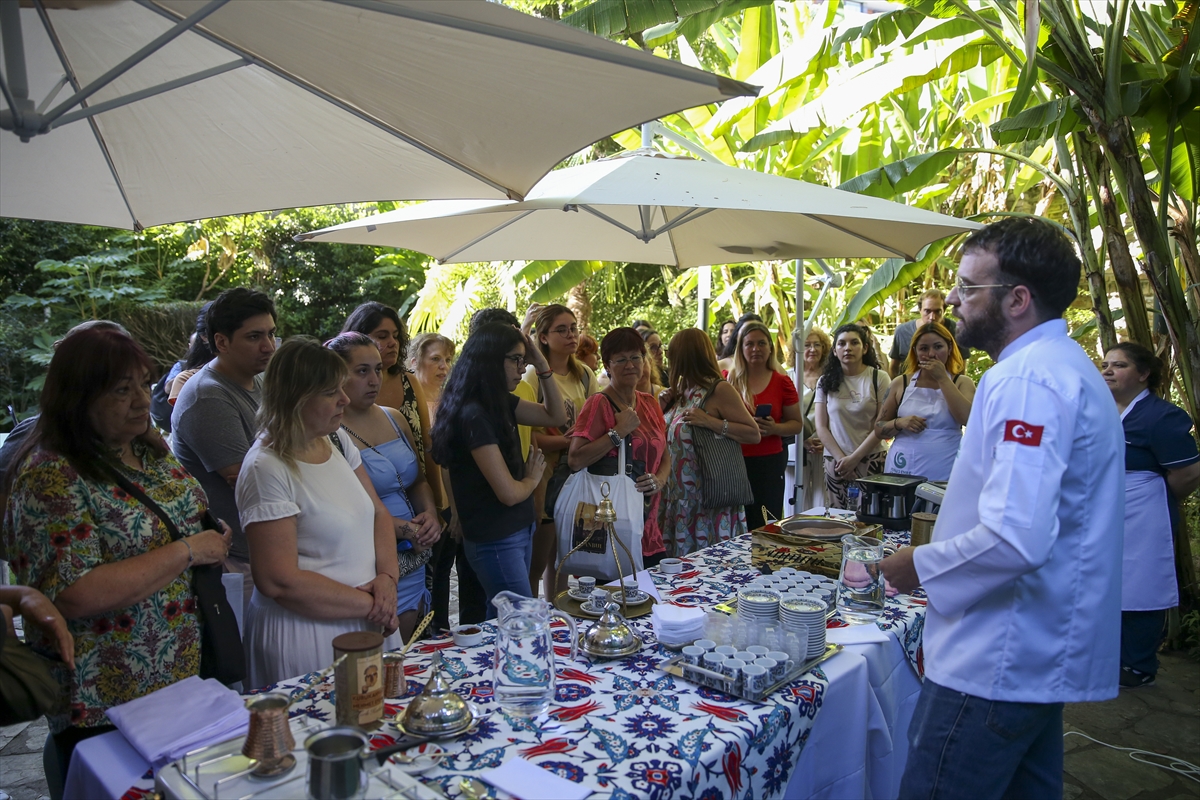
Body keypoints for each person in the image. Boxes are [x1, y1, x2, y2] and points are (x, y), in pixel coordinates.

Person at [882, 217, 1125, 798]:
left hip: (995, 657)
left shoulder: (1030, 383)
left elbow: (1015, 537)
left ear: (1017, 299)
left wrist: (919, 563)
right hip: (1027, 654)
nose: (953, 306)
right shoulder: (1056, 370)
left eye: (968, 289)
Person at [2, 327, 230, 798]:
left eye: (143, 385)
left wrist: (205, 531)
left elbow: (176, 506)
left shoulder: (142, 446)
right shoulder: (51, 473)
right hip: (106, 693)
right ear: (78, 396)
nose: (139, 401)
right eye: (120, 390)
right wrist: (189, 550)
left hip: (179, 675)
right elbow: (74, 592)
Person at [236, 337, 401, 689]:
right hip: (307, 635)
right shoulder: (266, 467)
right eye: (330, 392)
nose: (344, 399)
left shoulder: (335, 439)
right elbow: (279, 580)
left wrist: (387, 579)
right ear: (295, 398)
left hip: (365, 617)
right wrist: (373, 603)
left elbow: (378, 513)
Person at [431, 323, 567, 617]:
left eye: (524, 359)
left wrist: (542, 364)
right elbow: (507, 492)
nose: (522, 367)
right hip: (495, 537)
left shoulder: (497, 400)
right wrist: (532, 479)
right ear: (491, 361)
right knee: (521, 623)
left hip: (516, 528)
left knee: (504, 625)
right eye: (516, 359)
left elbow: (556, 415)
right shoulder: (474, 413)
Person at [328, 333, 442, 642]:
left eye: (377, 369)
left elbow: (417, 480)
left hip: (414, 554)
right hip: (371, 561)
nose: (374, 379)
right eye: (361, 371)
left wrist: (429, 515)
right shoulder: (329, 434)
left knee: (411, 656)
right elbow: (346, 507)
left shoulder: (394, 418)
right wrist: (407, 529)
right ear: (336, 374)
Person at [1100, 342, 1200, 688]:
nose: (1108, 370)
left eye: (1119, 365)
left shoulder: (1161, 416)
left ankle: (1137, 664)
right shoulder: (1100, 411)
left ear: (1144, 374)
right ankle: (1105, 654)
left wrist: (1151, 497)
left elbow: (1188, 473)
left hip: (1144, 510)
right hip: (1101, 510)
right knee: (1104, 579)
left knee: (1141, 583)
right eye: (1106, 364)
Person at [172, 287, 277, 610]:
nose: (268, 346)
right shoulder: (208, 397)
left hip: (265, 549)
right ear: (221, 342)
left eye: (272, 334)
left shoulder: (259, 382)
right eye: (254, 337)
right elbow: (250, 480)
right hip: (237, 560)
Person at [567, 328, 672, 568]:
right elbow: (575, 459)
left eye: (636, 357)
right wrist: (617, 432)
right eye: (621, 359)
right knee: (614, 599)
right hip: (611, 526)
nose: (630, 365)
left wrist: (660, 479)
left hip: (647, 523)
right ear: (607, 365)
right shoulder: (599, 403)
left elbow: (665, 452)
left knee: (649, 599)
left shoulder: (648, 402)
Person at [660, 329, 760, 556]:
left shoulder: (718, 390)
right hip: (677, 500)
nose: (667, 358)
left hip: (708, 502)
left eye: (671, 353)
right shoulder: (679, 393)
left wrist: (710, 422)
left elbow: (753, 434)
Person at [523, 304, 597, 600]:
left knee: (565, 556)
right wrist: (569, 442)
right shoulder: (532, 376)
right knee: (538, 558)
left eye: (573, 328)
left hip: (577, 475)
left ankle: (559, 616)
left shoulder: (585, 375)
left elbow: (594, 423)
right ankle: (529, 616)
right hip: (545, 475)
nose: (570, 335)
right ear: (542, 337)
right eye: (561, 330)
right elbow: (528, 437)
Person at [341, 302, 440, 512]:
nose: (393, 343)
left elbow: (427, 445)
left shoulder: (410, 382)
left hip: (419, 498)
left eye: (395, 335)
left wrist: (437, 505)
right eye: (383, 336)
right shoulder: (340, 409)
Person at [726, 322, 804, 529]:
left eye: (761, 343)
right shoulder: (728, 381)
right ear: (741, 349)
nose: (756, 349)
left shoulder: (782, 381)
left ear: (770, 347)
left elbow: (797, 424)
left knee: (765, 521)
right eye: (749, 344)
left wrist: (775, 428)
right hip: (734, 461)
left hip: (769, 462)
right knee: (737, 522)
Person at [875, 322, 975, 482]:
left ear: (949, 348)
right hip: (902, 469)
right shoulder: (900, 383)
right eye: (924, 349)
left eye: (938, 347)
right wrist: (899, 423)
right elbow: (878, 429)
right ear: (915, 351)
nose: (931, 354)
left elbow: (968, 419)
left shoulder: (962, 382)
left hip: (945, 470)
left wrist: (942, 378)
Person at [813, 323, 888, 509]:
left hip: (871, 458)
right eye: (842, 343)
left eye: (854, 343)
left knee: (870, 518)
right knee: (837, 520)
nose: (848, 348)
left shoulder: (879, 378)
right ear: (834, 350)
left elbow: (881, 425)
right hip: (835, 462)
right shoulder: (824, 381)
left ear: (865, 348)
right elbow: (821, 426)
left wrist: (854, 458)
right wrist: (841, 459)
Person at [795, 327, 832, 512]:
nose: (812, 349)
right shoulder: (790, 375)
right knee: (793, 495)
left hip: (822, 443)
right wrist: (803, 439)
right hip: (796, 444)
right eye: (807, 345)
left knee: (821, 496)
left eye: (817, 344)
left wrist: (826, 442)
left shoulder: (831, 377)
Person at [888, 288, 960, 377]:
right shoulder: (903, 331)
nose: (932, 317)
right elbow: (894, 367)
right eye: (927, 311)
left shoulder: (955, 330)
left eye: (937, 312)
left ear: (944, 311)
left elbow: (961, 366)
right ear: (920, 310)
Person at [407, 333, 455, 424]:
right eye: (435, 359)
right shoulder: (406, 401)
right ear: (415, 363)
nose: (444, 366)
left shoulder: (454, 398)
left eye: (448, 360)